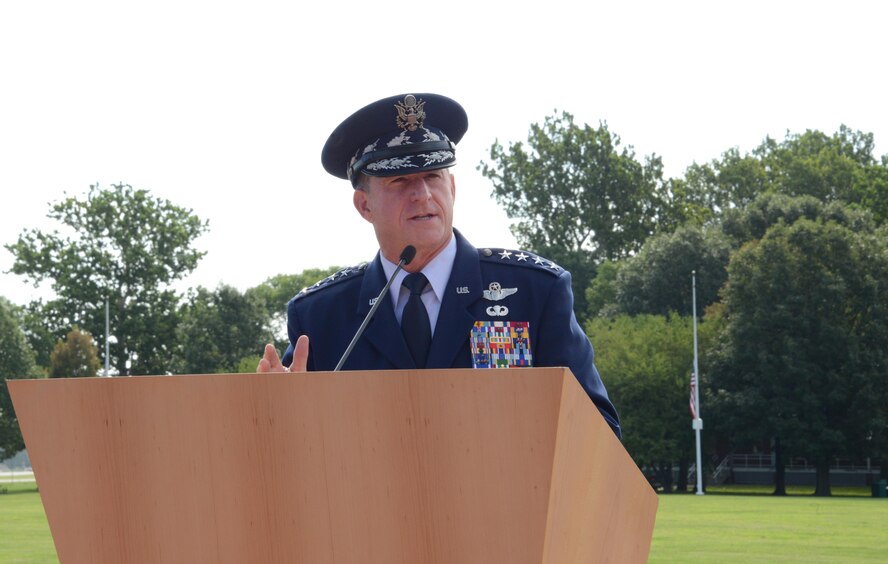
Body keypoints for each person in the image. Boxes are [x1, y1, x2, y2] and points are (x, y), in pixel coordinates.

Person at [258, 93, 621, 437]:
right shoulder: (322, 316)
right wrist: (279, 415)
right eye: (400, 181)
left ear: (453, 188)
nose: (422, 195)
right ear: (364, 205)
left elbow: (598, 430)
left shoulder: (535, 292)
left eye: (433, 177)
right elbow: (291, 450)